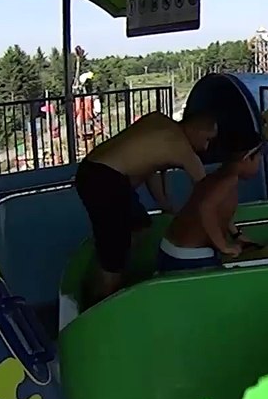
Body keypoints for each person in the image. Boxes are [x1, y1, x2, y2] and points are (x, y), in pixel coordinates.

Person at [74, 109, 217, 302]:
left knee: (140, 226)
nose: (206, 148)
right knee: (114, 252)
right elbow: (208, 192)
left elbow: (152, 170)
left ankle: (115, 271)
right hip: (105, 180)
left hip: (97, 172)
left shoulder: (158, 122)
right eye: (207, 139)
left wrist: (166, 205)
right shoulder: (182, 149)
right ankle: (99, 302)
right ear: (197, 131)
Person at [157, 132, 264, 274]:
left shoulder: (216, 176)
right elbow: (205, 207)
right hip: (190, 256)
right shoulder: (228, 180)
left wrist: (237, 235)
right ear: (246, 158)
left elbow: (217, 210)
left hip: (171, 249)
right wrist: (223, 246)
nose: (260, 161)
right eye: (259, 157)